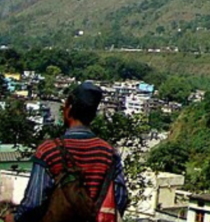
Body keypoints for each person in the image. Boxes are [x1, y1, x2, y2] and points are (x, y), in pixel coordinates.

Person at [7, 82, 129, 222]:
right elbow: (120, 198)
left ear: (68, 108)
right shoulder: (109, 153)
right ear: (93, 115)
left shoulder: (49, 151)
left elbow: (34, 203)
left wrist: (14, 218)